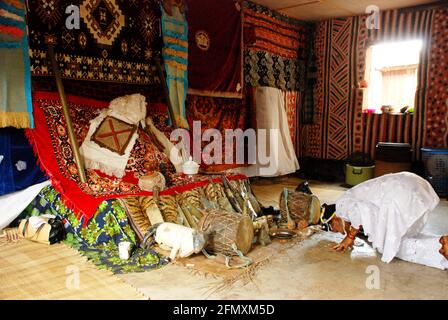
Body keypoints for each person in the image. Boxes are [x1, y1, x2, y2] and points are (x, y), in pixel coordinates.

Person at [320, 172, 448, 270]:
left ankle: (441, 253)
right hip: (413, 184)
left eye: (333, 229)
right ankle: (442, 241)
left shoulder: (341, 205)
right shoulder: (348, 201)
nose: (337, 232)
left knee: (392, 248)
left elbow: (359, 211)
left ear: (334, 220)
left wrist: (350, 237)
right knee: (404, 237)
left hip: (401, 193)